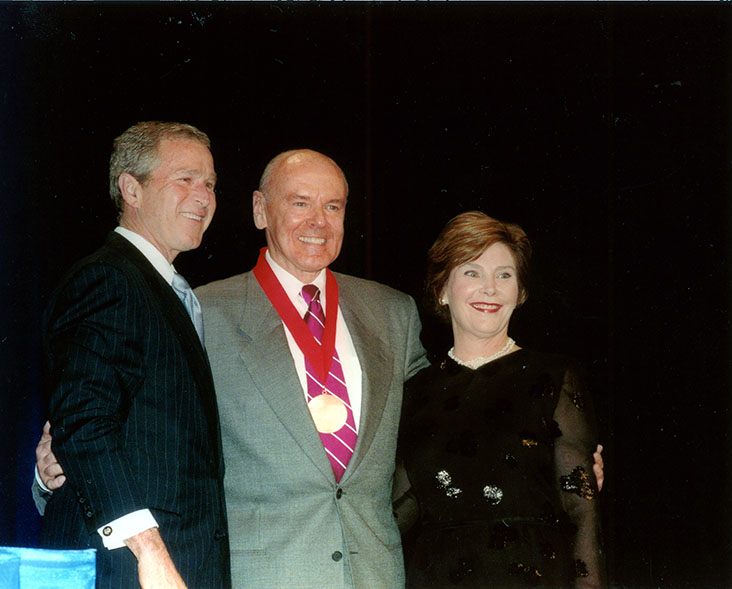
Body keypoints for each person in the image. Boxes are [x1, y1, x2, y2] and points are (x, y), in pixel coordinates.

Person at [192, 148, 429, 588]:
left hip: (373, 574)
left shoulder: (394, 312)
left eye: (332, 206)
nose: (318, 221)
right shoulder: (204, 314)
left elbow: (436, 427)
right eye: (300, 203)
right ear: (261, 210)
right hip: (261, 575)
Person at [35, 121, 230, 589]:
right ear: (131, 189)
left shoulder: (162, 290)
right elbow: (84, 424)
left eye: (210, 184)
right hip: (130, 569)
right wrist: (150, 553)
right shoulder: (109, 281)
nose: (203, 196)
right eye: (184, 178)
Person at [397, 211, 606, 588]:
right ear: (442, 289)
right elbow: (396, 513)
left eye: (504, 275)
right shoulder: (415, 391)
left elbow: (581, 512)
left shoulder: (553, 377)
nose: (490, 288)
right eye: (472, 272)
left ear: (520, 292)